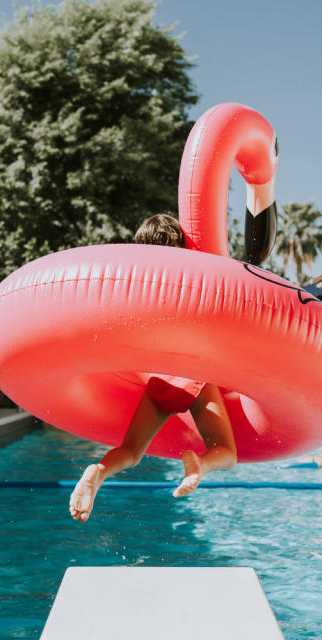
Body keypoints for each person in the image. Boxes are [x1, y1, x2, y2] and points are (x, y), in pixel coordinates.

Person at [69, 214, 238, 523]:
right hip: (195, 378)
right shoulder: (191, 281)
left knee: (131, 452)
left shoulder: (137, 290)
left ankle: (98, 472)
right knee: (225, 450)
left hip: (160, 381)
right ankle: (200, 465)